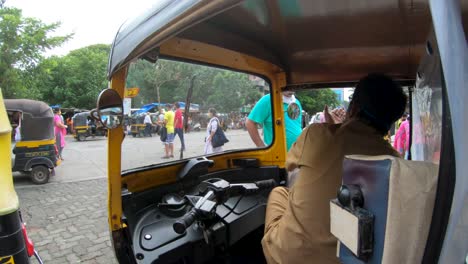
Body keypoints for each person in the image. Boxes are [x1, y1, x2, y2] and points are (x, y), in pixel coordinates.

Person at [261, 73, 407, 264]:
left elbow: (291, 167)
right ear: (392, 120)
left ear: (353, 107)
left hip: (289, 257)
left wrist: (333, 128)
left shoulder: (315, 135)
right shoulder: (395, 161)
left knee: (281, 192)